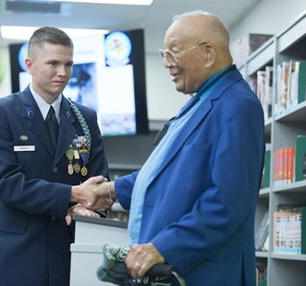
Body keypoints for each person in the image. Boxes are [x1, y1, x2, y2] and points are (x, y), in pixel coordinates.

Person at [95, 11, 265, 285]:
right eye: (164, 52)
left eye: (173, 52)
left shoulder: (238, 105)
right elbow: (168, 172)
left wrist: (163, 247)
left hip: (205, 274)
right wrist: (111, 190)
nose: (166, 63)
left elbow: (228, 202)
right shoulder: (199, 102)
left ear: (208, 54)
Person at [0, 26, 110, 286]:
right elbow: (7, 183)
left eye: (69, 64)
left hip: (68, 244)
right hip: (15, 248)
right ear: (30, 64)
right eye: (53, 63)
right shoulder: (1, 112)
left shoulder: (85, 118)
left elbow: (99, 180)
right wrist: (73, 196)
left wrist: (88, 205)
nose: (63, 73)